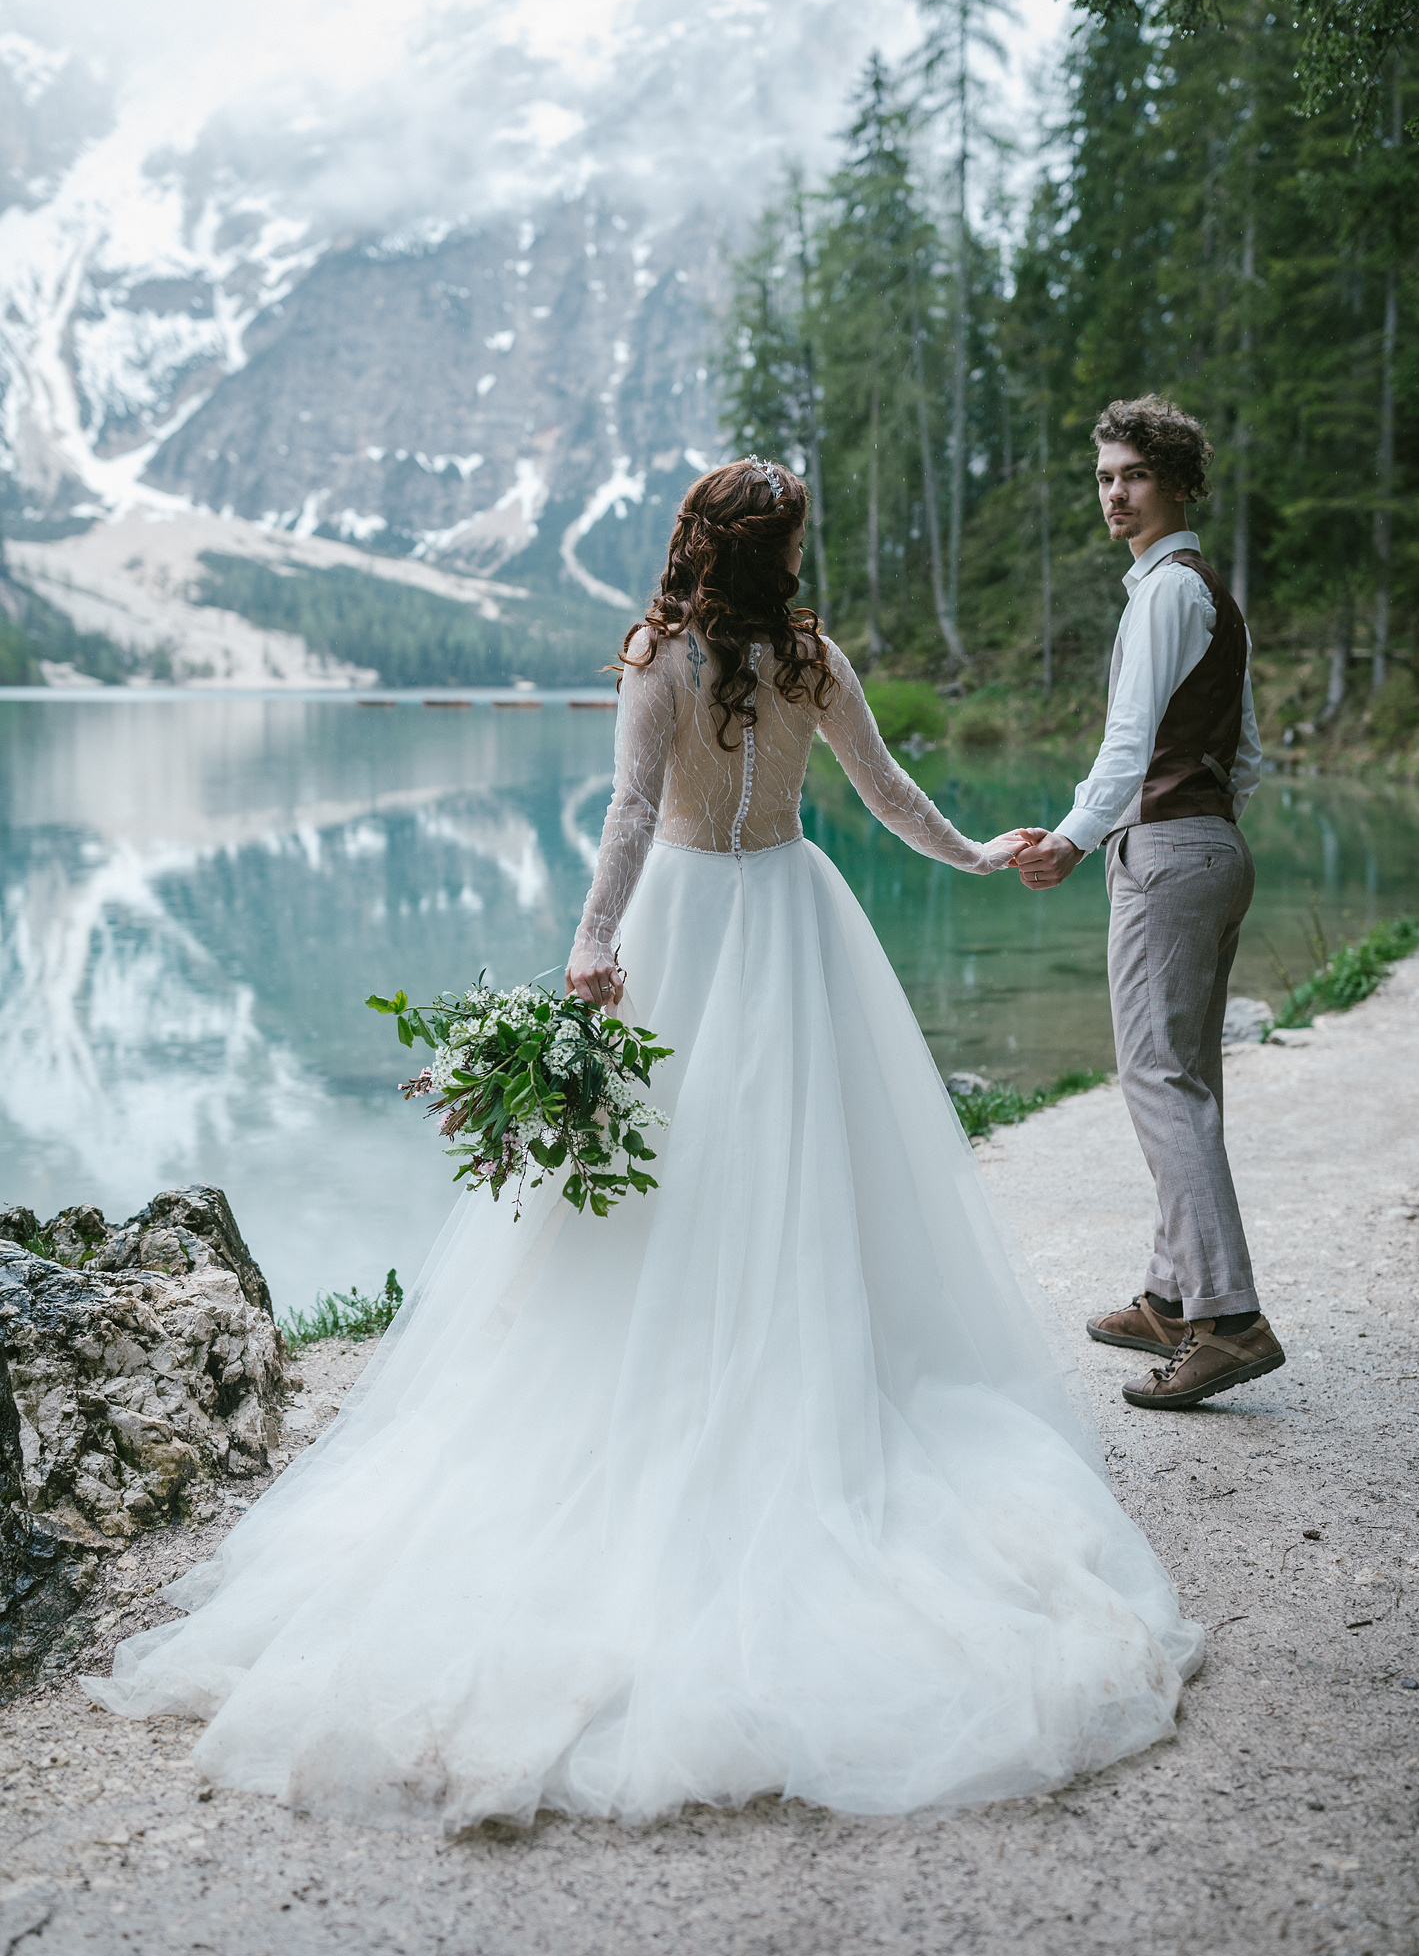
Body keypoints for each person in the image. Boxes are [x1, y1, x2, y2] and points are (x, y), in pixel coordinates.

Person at [89, 458, 1201, 1829]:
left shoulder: (659, 655)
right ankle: (795, 1370)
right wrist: (977, 853)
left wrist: (593, 942)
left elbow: (629, 810)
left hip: (685, 918)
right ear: (777, 553)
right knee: (796, 1176)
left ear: (696, 549)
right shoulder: (813, 659)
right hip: (794, 921)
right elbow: (889, 790)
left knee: (662, 1185)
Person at [1014, 396, 1285, 1412]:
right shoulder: (1205, 589)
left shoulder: (1165, 592)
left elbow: (1127, 747)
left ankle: (1229, 1318)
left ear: (1176, 481)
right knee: (1187, 1080)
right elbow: (1246, 752)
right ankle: (1173, 1296)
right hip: (1210, 847)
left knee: (1158, 1079)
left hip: (1166, 852)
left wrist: (1080, 838)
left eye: (1132, 475)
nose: (1115, 493)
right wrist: (1206, 828)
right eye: (1104, 478)